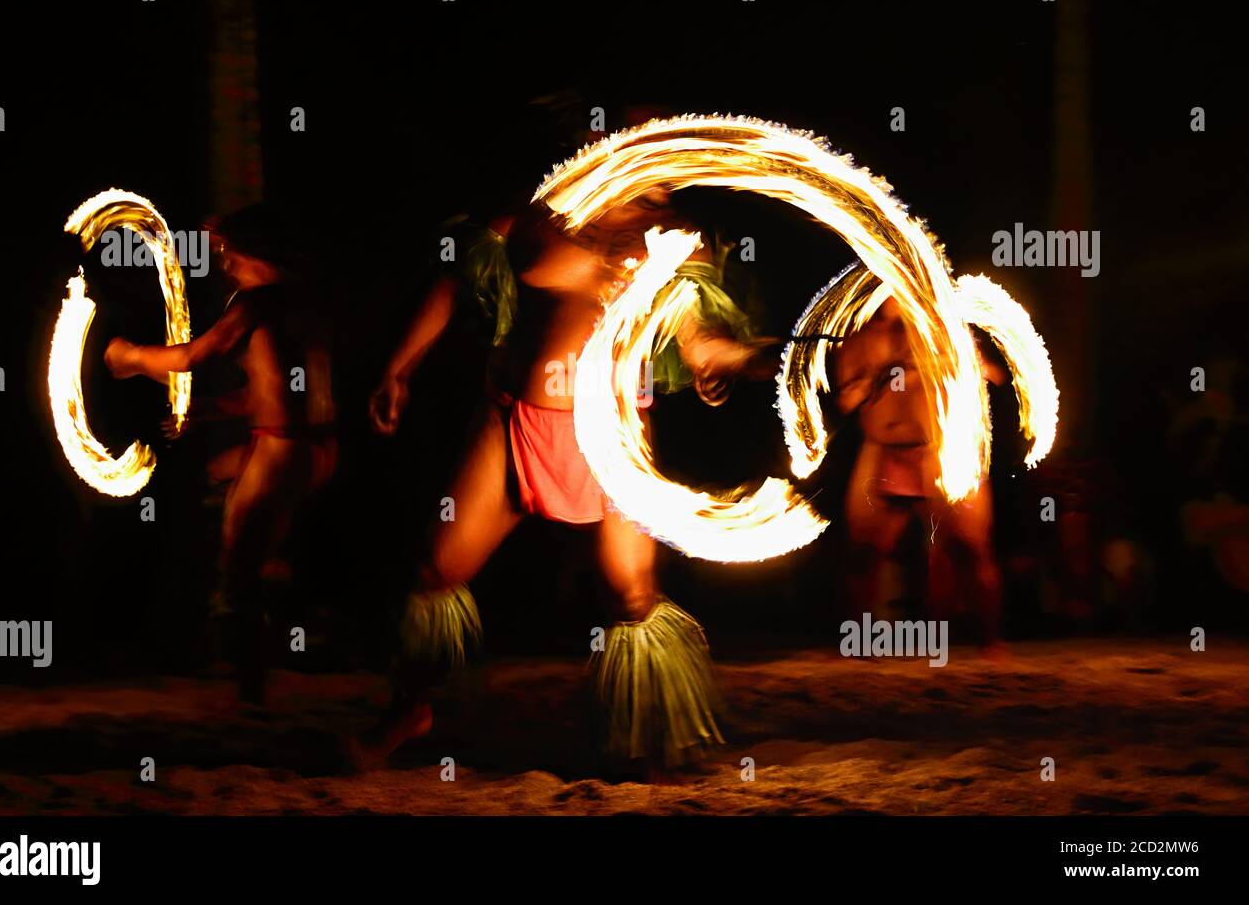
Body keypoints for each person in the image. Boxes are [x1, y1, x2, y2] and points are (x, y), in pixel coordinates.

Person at [365, 188, 775, 770]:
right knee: (438, 566)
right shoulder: (534, 214)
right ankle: (409, 710)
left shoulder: (675, 238)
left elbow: (699, 338)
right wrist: (398, 367)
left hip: (612, 437)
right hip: (513, 424)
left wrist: (742, 359)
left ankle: (649, 738)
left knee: (631, 596)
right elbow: (455, 280)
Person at [104, 204, 337, 702]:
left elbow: (190, 358)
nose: (222, 261)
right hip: (318, 446)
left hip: (282, 450)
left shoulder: (257, 304)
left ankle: (251, 680)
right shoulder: (306, 300)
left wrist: (130, 357)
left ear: (248, 250)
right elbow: (277, 391)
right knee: (217, 477)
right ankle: (278, 595)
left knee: (240, 565)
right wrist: (209, 409)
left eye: (224, 250)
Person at [831, 296, 1004, 650]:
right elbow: (845, 400)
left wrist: (947, 363)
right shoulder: (859, 339)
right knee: (862, 553)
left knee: (968, 549)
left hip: (939, 450)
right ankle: (857, 644)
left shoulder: (941, 332)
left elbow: (991, 374)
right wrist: (878, 377)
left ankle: (989, 641)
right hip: (882, 450)